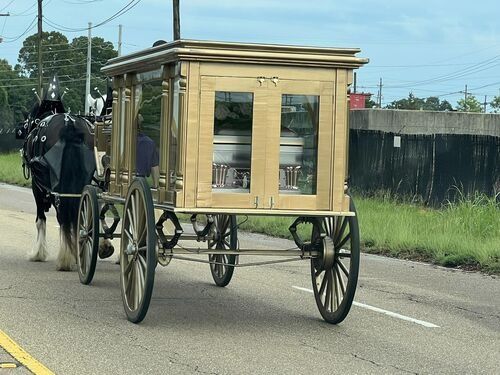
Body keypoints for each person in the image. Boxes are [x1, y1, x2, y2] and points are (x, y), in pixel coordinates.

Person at [136, 114, 160, 188]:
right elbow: (154, 166)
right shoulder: (149, 142)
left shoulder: (122, 140)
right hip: (142, 182)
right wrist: (155, 185)